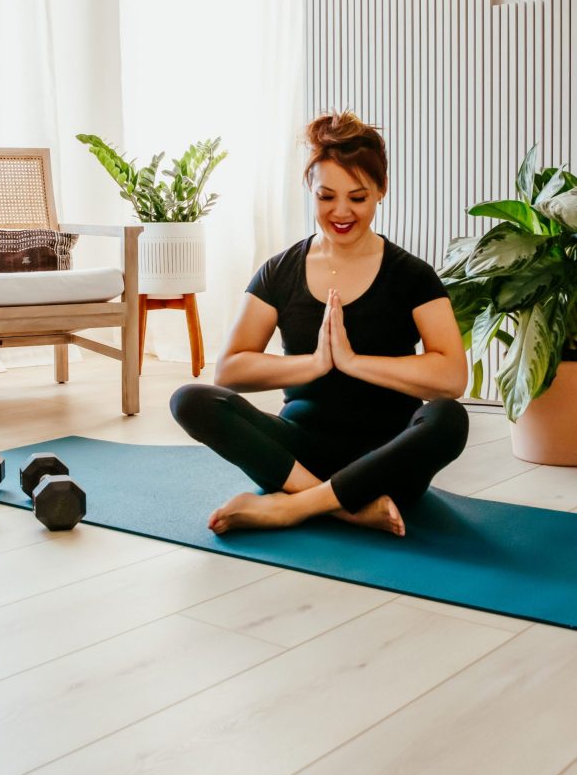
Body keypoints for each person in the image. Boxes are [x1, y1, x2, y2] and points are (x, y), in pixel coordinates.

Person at [170, 112, 469, 538]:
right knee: (189, 400)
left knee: (448, 418)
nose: (341, 212)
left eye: (358, 197)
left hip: (386, 460)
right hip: (295, 458)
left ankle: (293, 508)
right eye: (326, 197)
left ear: (381, 192)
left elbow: (452, 377)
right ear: (309, 190)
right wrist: (315, 364)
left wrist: (352, 361)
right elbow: (230, 369)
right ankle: (343, 508)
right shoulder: (280, 271)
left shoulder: (412, 276)